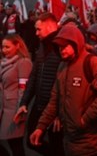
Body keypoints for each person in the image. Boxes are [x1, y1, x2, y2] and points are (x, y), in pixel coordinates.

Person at [29, 23, 97, 156]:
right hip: (69, 139)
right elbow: (55, 99)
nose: (61, 50)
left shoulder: (92, 62)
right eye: (59, 47)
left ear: (76, 43)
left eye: (65, 46)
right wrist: (40, 127)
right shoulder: (62, 66)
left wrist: (84, 119)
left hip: (90, 141)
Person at [13, 12, 64, 156]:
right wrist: (24, 102)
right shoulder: (42, 46)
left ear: (49, 27)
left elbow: (66, 84)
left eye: (38, 29)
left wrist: (59, 113)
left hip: (54, 108)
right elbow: (34, 76)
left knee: (57, 145)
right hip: (39, 104)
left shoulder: (62, 45)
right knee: (31, 141)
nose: (36, 33)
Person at [0, 34, 33, 156]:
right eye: (2, 47)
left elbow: (23, 89)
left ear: (17, 46)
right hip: (3, 107)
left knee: (16, 144)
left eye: (7, 47)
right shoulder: (4, 62)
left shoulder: (23, 62)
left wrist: (21, 109)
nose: (4, 50)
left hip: (14, 109)